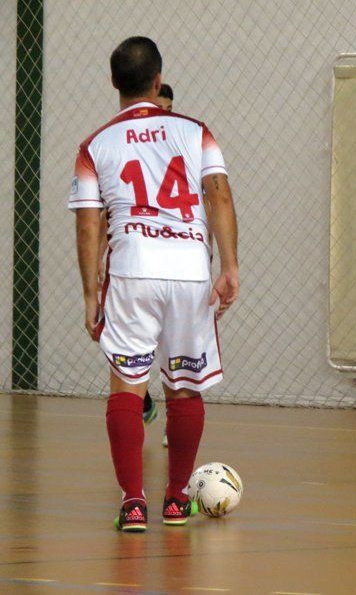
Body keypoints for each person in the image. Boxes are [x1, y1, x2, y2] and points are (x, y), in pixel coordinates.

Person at [70, 37, 239, 530]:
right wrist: (229, 266)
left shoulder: (95, 144)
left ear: (113, 82)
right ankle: (175, 498)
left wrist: (88, 293)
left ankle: (132, 503)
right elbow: (219, 197)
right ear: (159, 80)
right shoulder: (195, 131)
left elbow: (87, 223)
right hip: (189, 269)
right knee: (184, 388)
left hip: (131, 270)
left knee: (127, 386)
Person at [97, 82, 177, 437]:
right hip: (135, 265)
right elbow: (103, 214)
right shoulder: (120, 148)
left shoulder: (182, 148)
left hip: (177, 266)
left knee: (177, 352)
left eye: (168, 109)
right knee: (124, 342)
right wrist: (99, 258)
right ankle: (140, 402)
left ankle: (174, 420)